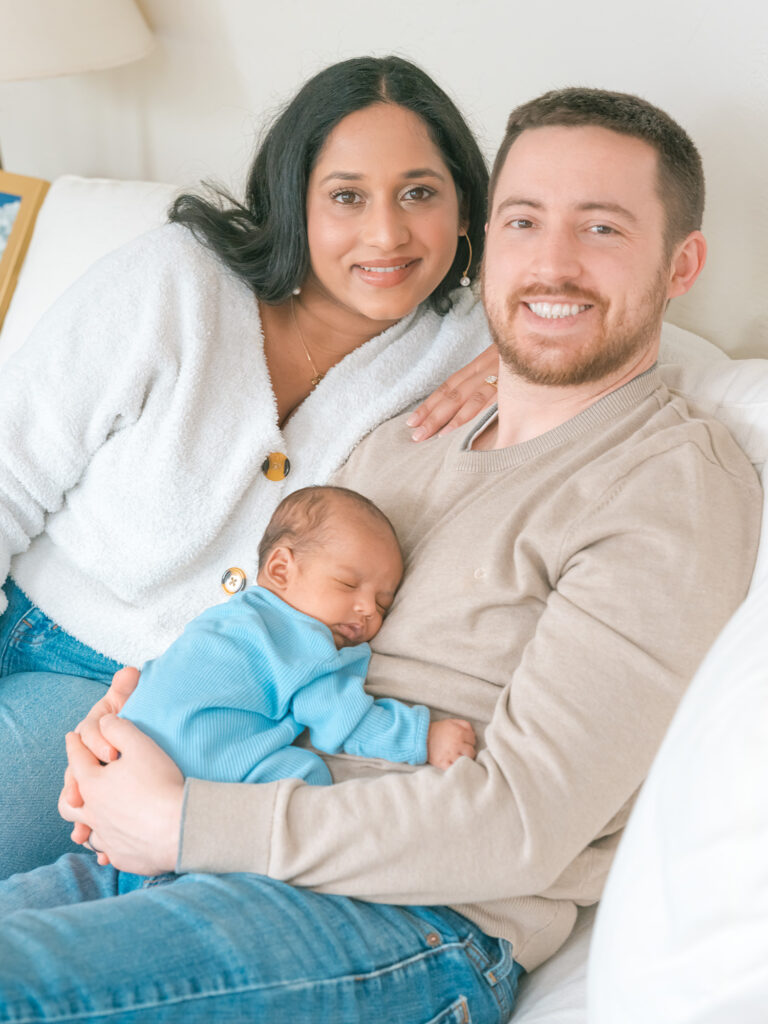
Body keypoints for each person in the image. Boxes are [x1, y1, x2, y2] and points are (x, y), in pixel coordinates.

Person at [1, 87, 761, 1023]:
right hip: (202, 835)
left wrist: (188, 819)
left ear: (682, 264)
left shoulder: (669, 485)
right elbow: (272, 622)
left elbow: (522, 821)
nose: (553, 262)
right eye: (525, 221)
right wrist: (149, 726)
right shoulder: (401, 435)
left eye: (602, 228)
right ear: (490, 238)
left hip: (396, 919)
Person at [0, 54, 499, 877]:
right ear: (294, 201)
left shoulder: (466, 347)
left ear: (463, 208)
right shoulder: (179, 280)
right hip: (38, 626)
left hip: (158, 712)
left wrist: (519, 360)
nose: (387, 233)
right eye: (347, 196)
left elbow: (623, 297)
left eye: (420, 192)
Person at [119, 485, 476, 788]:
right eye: (348, 584)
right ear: (279, 569)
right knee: (308, 779)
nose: (368, 608)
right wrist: (423, 737)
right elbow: (344, 719)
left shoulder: (231, 617)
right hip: (197, 773)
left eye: (383, 604)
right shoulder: (305, 642)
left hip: (122, 756)